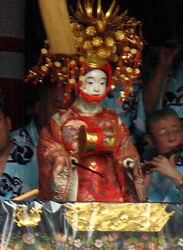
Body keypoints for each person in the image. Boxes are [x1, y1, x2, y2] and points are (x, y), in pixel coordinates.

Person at [39, 67, 147, 203]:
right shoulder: (61, 120)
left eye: (102, 83)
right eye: (91, 82)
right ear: (78, 82)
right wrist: (63, 160)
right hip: (76, 188)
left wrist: (128, 161)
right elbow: (48, 148)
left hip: (110, 190)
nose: (97, 89)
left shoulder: (114, 120)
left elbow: (125, 149)